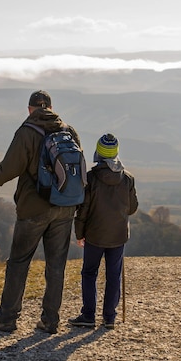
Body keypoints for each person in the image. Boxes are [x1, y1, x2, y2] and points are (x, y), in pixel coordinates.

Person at [0, 90, 82, 334]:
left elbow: (7, 170)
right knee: (56, 265)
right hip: (65, 208)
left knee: (19, 263)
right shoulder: (68, 130)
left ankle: (7, 319)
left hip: (33, 210)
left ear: (30, 109)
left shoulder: (27, 132)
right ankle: (50, 320)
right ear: (51, 107)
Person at [69, 133, 138, 330]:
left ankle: (88, 316)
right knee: (113, 275)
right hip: (118, 236)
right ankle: (109, 318)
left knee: (89, 273)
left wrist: (79, 233)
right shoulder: (128, 179)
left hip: (94, 235)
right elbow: (132, 208)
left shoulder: (91, 178)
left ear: (98, 153)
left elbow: (83, 210)